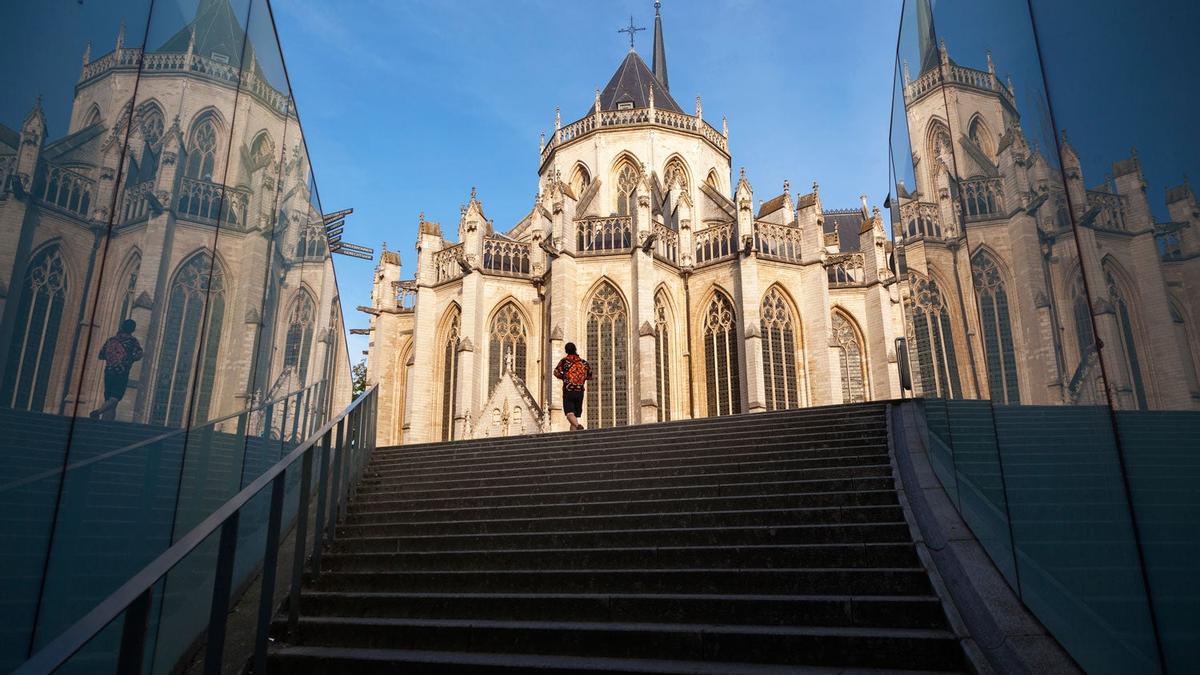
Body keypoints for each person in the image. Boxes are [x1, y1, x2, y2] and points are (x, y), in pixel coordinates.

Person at [89, 319, 143, 420]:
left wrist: (112, 358)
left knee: (109, 400)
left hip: (108, 372)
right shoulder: (132, 341)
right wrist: (129, 360)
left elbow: (101, 355)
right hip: (121, 373)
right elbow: (138, 355)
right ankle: (97, 412)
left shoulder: (111, 340)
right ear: (133, 329)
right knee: (115, 399)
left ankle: (106, 425)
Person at [553, 342, 592, 431]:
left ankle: (578, 426)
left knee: (569, 414)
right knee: (574, 415)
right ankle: (573, 436)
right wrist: (581, 380)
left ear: (566, 351)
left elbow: (556, 372)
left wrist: (564, 377)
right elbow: (590, 375)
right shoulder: (584, 362)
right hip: (580, 391)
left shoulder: (564, 361)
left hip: (568, 390)